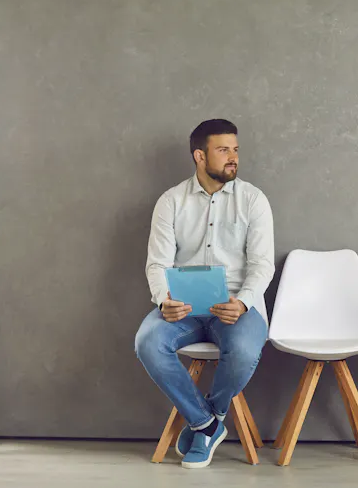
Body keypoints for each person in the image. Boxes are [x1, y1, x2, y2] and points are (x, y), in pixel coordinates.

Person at [135, 119, 273, 469]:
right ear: (200, 155)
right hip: (183, 307)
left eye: (236, 150)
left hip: (237, 305)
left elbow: (262, 265)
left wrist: (242, 302)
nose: (233, 158)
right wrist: (163, 298)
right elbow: (157, 264)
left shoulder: (253, 200)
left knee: (243, 350)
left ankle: (205, 420)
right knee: (147, 341)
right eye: (223, 150)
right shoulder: (171, 202)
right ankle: (207, 424)